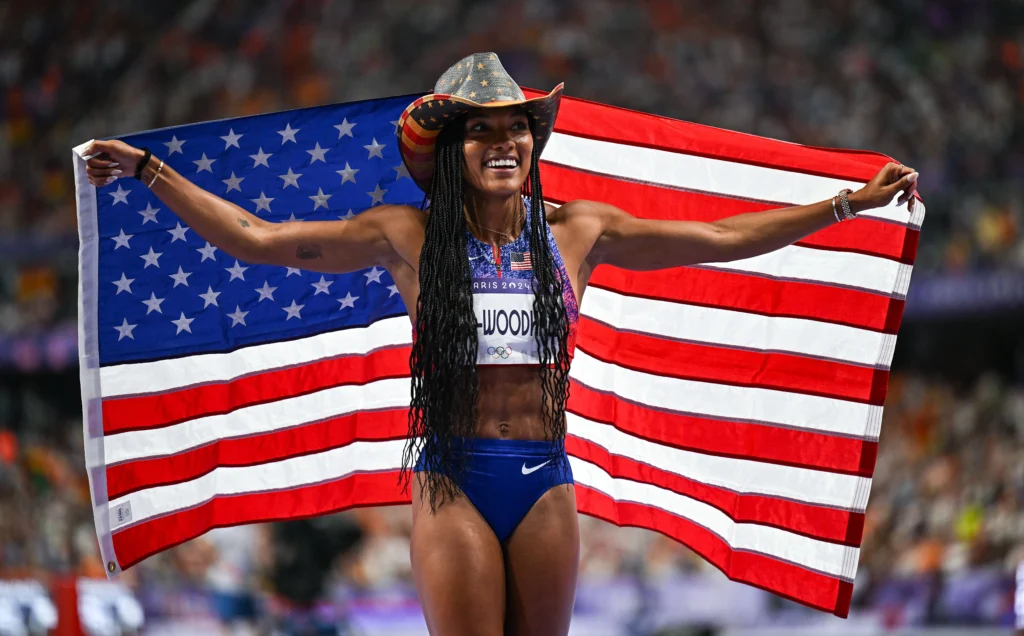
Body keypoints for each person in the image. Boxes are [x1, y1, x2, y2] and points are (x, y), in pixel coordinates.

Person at [83, 52, 918, 636]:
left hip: (546, 480)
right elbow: (259, 240)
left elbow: (724, 236)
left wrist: (846, 204)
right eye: (482, 131)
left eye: (516, 127)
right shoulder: (406, 235)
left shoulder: (580, 230)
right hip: (454, 482)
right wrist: (151, 172)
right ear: (452, 149)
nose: (504, 142)